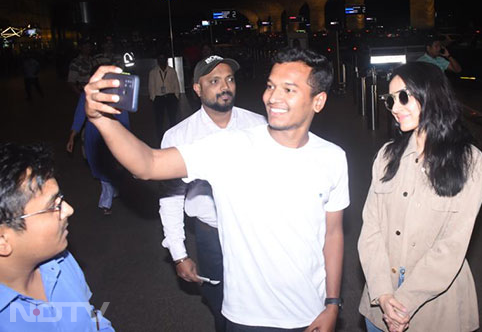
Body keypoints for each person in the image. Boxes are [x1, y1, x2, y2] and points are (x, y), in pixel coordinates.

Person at [84, 47, 348, 331]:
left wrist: (332, 303)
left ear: (318, 101)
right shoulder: (231, 147)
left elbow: (332, 233)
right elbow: (148, 164)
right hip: (249, 318)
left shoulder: (332, 157)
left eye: (288, 89)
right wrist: (102, 120)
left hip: (311, 312)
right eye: (270, 86)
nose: (273, 97)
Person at [358, 62, 482, 332]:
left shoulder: (469, 161)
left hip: (436, 310)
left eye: (403, 97)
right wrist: (383, 295)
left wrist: (402, 303)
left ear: (431, 95)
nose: (394, 107)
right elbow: (370, 229)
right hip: (380, 306)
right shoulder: (386, 156)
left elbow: (452, 246)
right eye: (390, 99)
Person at [159, 55, 266, 331]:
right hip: (211, 236)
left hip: (257, 230)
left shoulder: (259, 126)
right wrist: (179, 254)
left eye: (230, 79)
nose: (225, 86)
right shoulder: (179, 136)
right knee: (220, 303)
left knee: (262, 300)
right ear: (197, 88)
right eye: (214, 81)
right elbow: (171, 199)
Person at [0, 143, 114, 331]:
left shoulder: (61, 261)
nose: (69, 210)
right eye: (52, 206)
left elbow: (90, 316)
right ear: (3, 240)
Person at [66, 84, 130, 215]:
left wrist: (126, 138)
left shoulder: (115, 95)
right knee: (101, 167)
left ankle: (105, 203)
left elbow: (124, 118)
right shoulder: (88, 94)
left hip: (113, 134)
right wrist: (72, 137)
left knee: (111, 165)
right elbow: (79, 115)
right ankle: (111, 191)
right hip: (94, 136)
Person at [148, 53, 181, 141]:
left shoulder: (171, 71)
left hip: (170, 96)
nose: (162, 60)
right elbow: (151, 85)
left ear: (166, 60)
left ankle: (173, 135)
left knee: (172, 118)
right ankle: (160, 138)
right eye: (160, 58)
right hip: (159, 97)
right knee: (159, 119)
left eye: (163, 58)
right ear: (157, 60)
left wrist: (176, 96)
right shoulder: (153, 72)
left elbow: (176, 83)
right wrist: (153, 98)